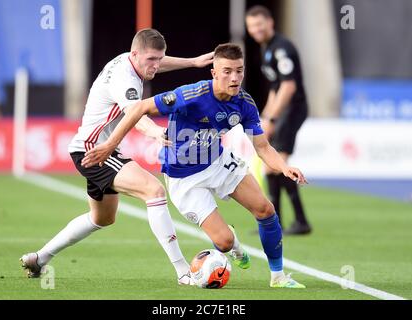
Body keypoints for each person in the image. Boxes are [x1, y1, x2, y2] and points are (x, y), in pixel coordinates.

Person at [82, 43, 307, 288]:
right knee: (223, 243)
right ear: (214, 73)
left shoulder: (244, 103)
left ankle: (278, 276)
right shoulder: (191, 95)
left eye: (239, 71)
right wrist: (110, 144)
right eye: (227, 71)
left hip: (218, 161)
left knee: (265, 209)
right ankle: (233, 244)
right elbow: (140, 108)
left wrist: (283, 167)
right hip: (184, 178)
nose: (234, 78)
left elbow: (262, 147)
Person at [20, 28, 214, 285]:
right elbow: (135, 115)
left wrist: (192, 62)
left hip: (94, 147)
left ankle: (39, 258)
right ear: (136, 54)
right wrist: (155, 132)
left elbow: (155, 59)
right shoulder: (125, 79)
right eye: (151, 61)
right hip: (94, 150)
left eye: (159, 59)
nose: (156, 66)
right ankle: (182, 272)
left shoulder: (131, 58)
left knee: (102, 218)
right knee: (154, 191)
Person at [245, 6, 312, 235]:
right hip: (282, 112)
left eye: (259, 25)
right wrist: (264, 117)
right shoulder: (267, 50)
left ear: (270, 22)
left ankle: (298, 222)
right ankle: (281, 222)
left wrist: (272, 118)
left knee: (278, 166)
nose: (256, 30)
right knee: (271, 168)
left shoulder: (282, 48)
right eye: (252, 26)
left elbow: (288, 86)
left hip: (292, 110)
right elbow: (274, 89)